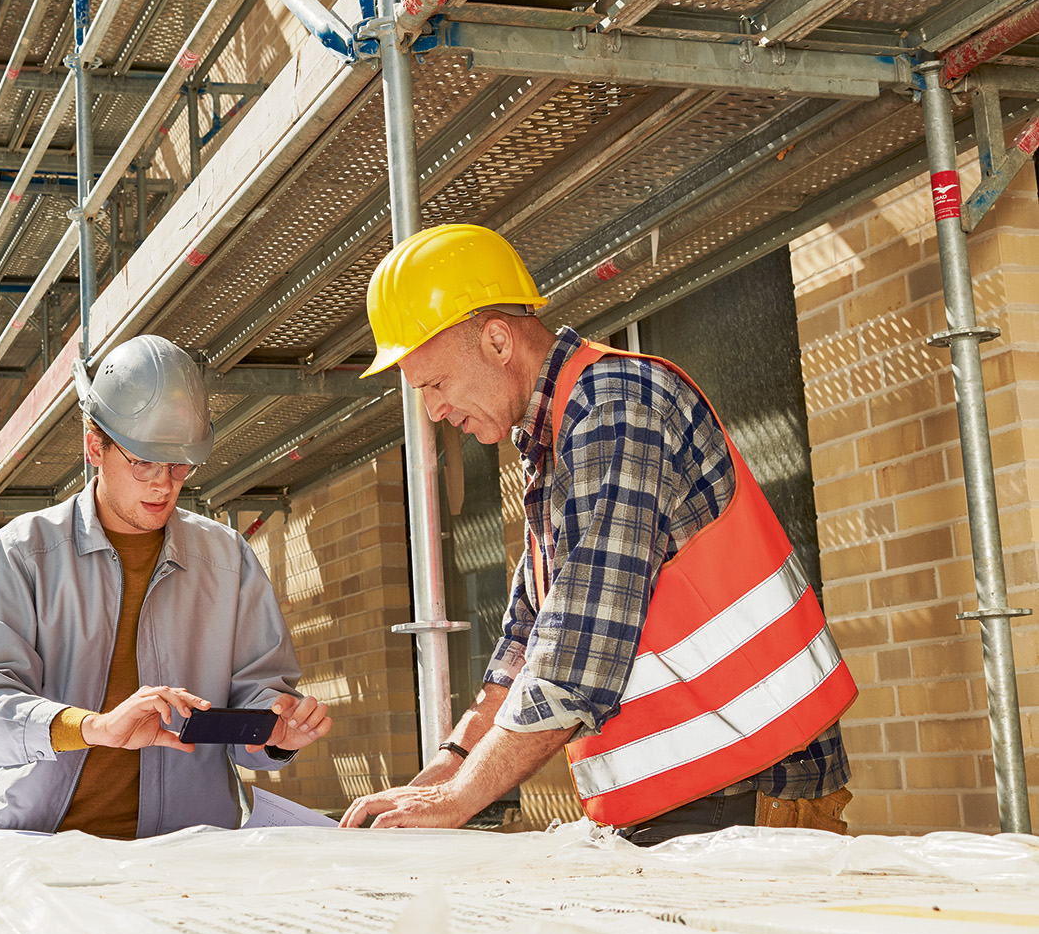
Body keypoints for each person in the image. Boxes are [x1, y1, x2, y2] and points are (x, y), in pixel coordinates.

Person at [340, 224, 854, 844]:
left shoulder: (615, 405)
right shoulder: (555, 444)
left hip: (746, 796)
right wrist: (442, 777)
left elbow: (578, 653)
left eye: (435, 384)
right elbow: (524, 649)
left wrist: (458, 798)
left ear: (498, 340)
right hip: (700, 799)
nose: (433, 411)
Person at [0, 334, 332, 837]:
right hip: (39, 849)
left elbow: (257, 703)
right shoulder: (26, 551)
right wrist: (94, 727)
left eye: (178, 467)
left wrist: (276, 732)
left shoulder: (226, 559)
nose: (163, 485)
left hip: (182, 854)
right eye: (144, 463)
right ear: (95, 446)